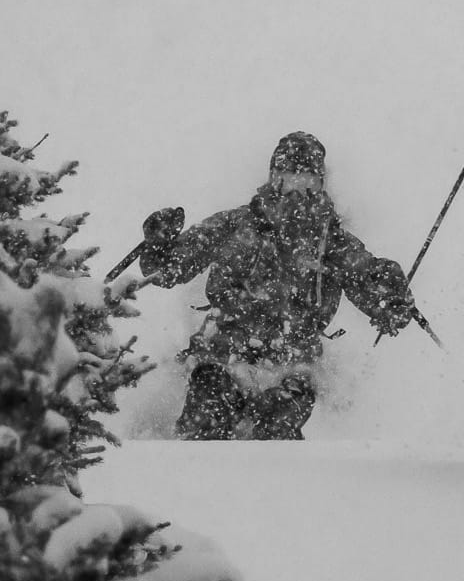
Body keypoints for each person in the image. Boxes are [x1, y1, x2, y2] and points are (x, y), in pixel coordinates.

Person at [138, 131, 418, 439]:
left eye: (308, 184)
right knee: (207, 423)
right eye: (289, 182)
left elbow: (365, 276)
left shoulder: (332, 242)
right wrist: (159, 246)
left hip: (291, 363)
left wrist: (390, 298)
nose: (297, 195)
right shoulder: (236, 224)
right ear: (274, 180)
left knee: (276, 433)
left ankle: (277, 480)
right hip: (224, 352)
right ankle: (167, 460)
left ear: (321, 185)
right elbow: (170, 269)